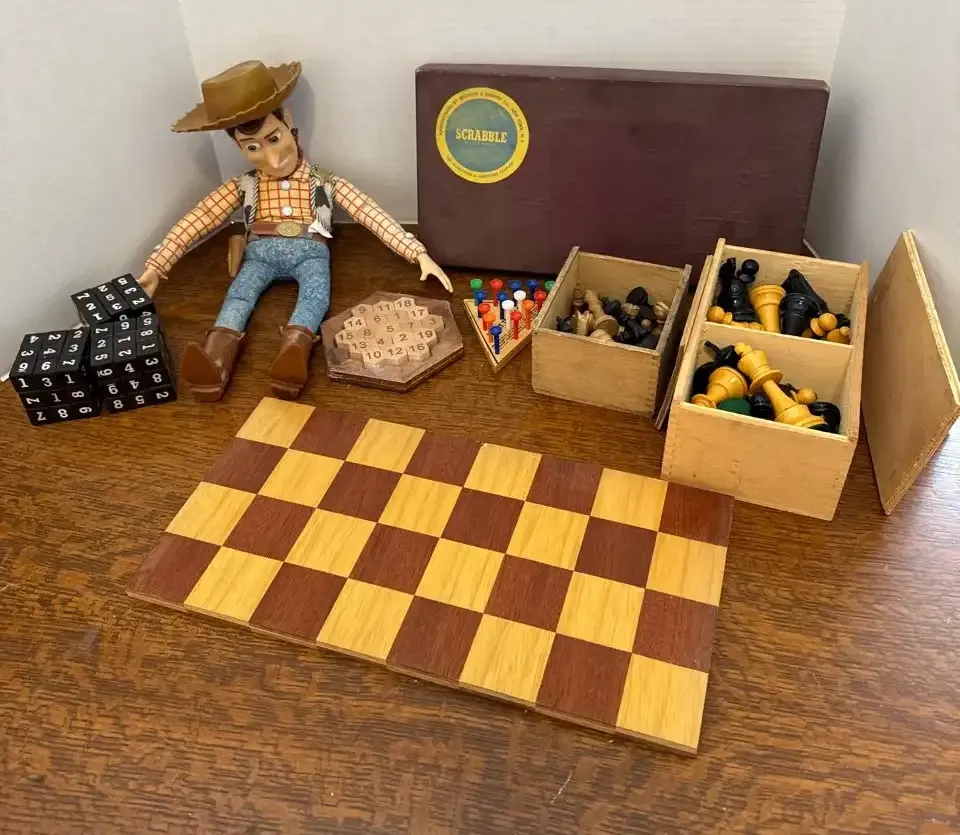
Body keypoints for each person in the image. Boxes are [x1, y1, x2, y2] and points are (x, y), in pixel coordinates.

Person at [138, 59, 452, 400]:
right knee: (238, 297)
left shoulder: (324, 182)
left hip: (310, 252)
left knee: (315, 297)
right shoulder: (244, 185)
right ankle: (215, 360)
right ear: (238, 147)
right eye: (253, 147)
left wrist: (416, 252)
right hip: (259, 253)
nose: (272, 159)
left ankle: (294, 354)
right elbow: (199, 218)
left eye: (274, 138)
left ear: (288, 123)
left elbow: (368, 212)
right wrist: (157, 266)